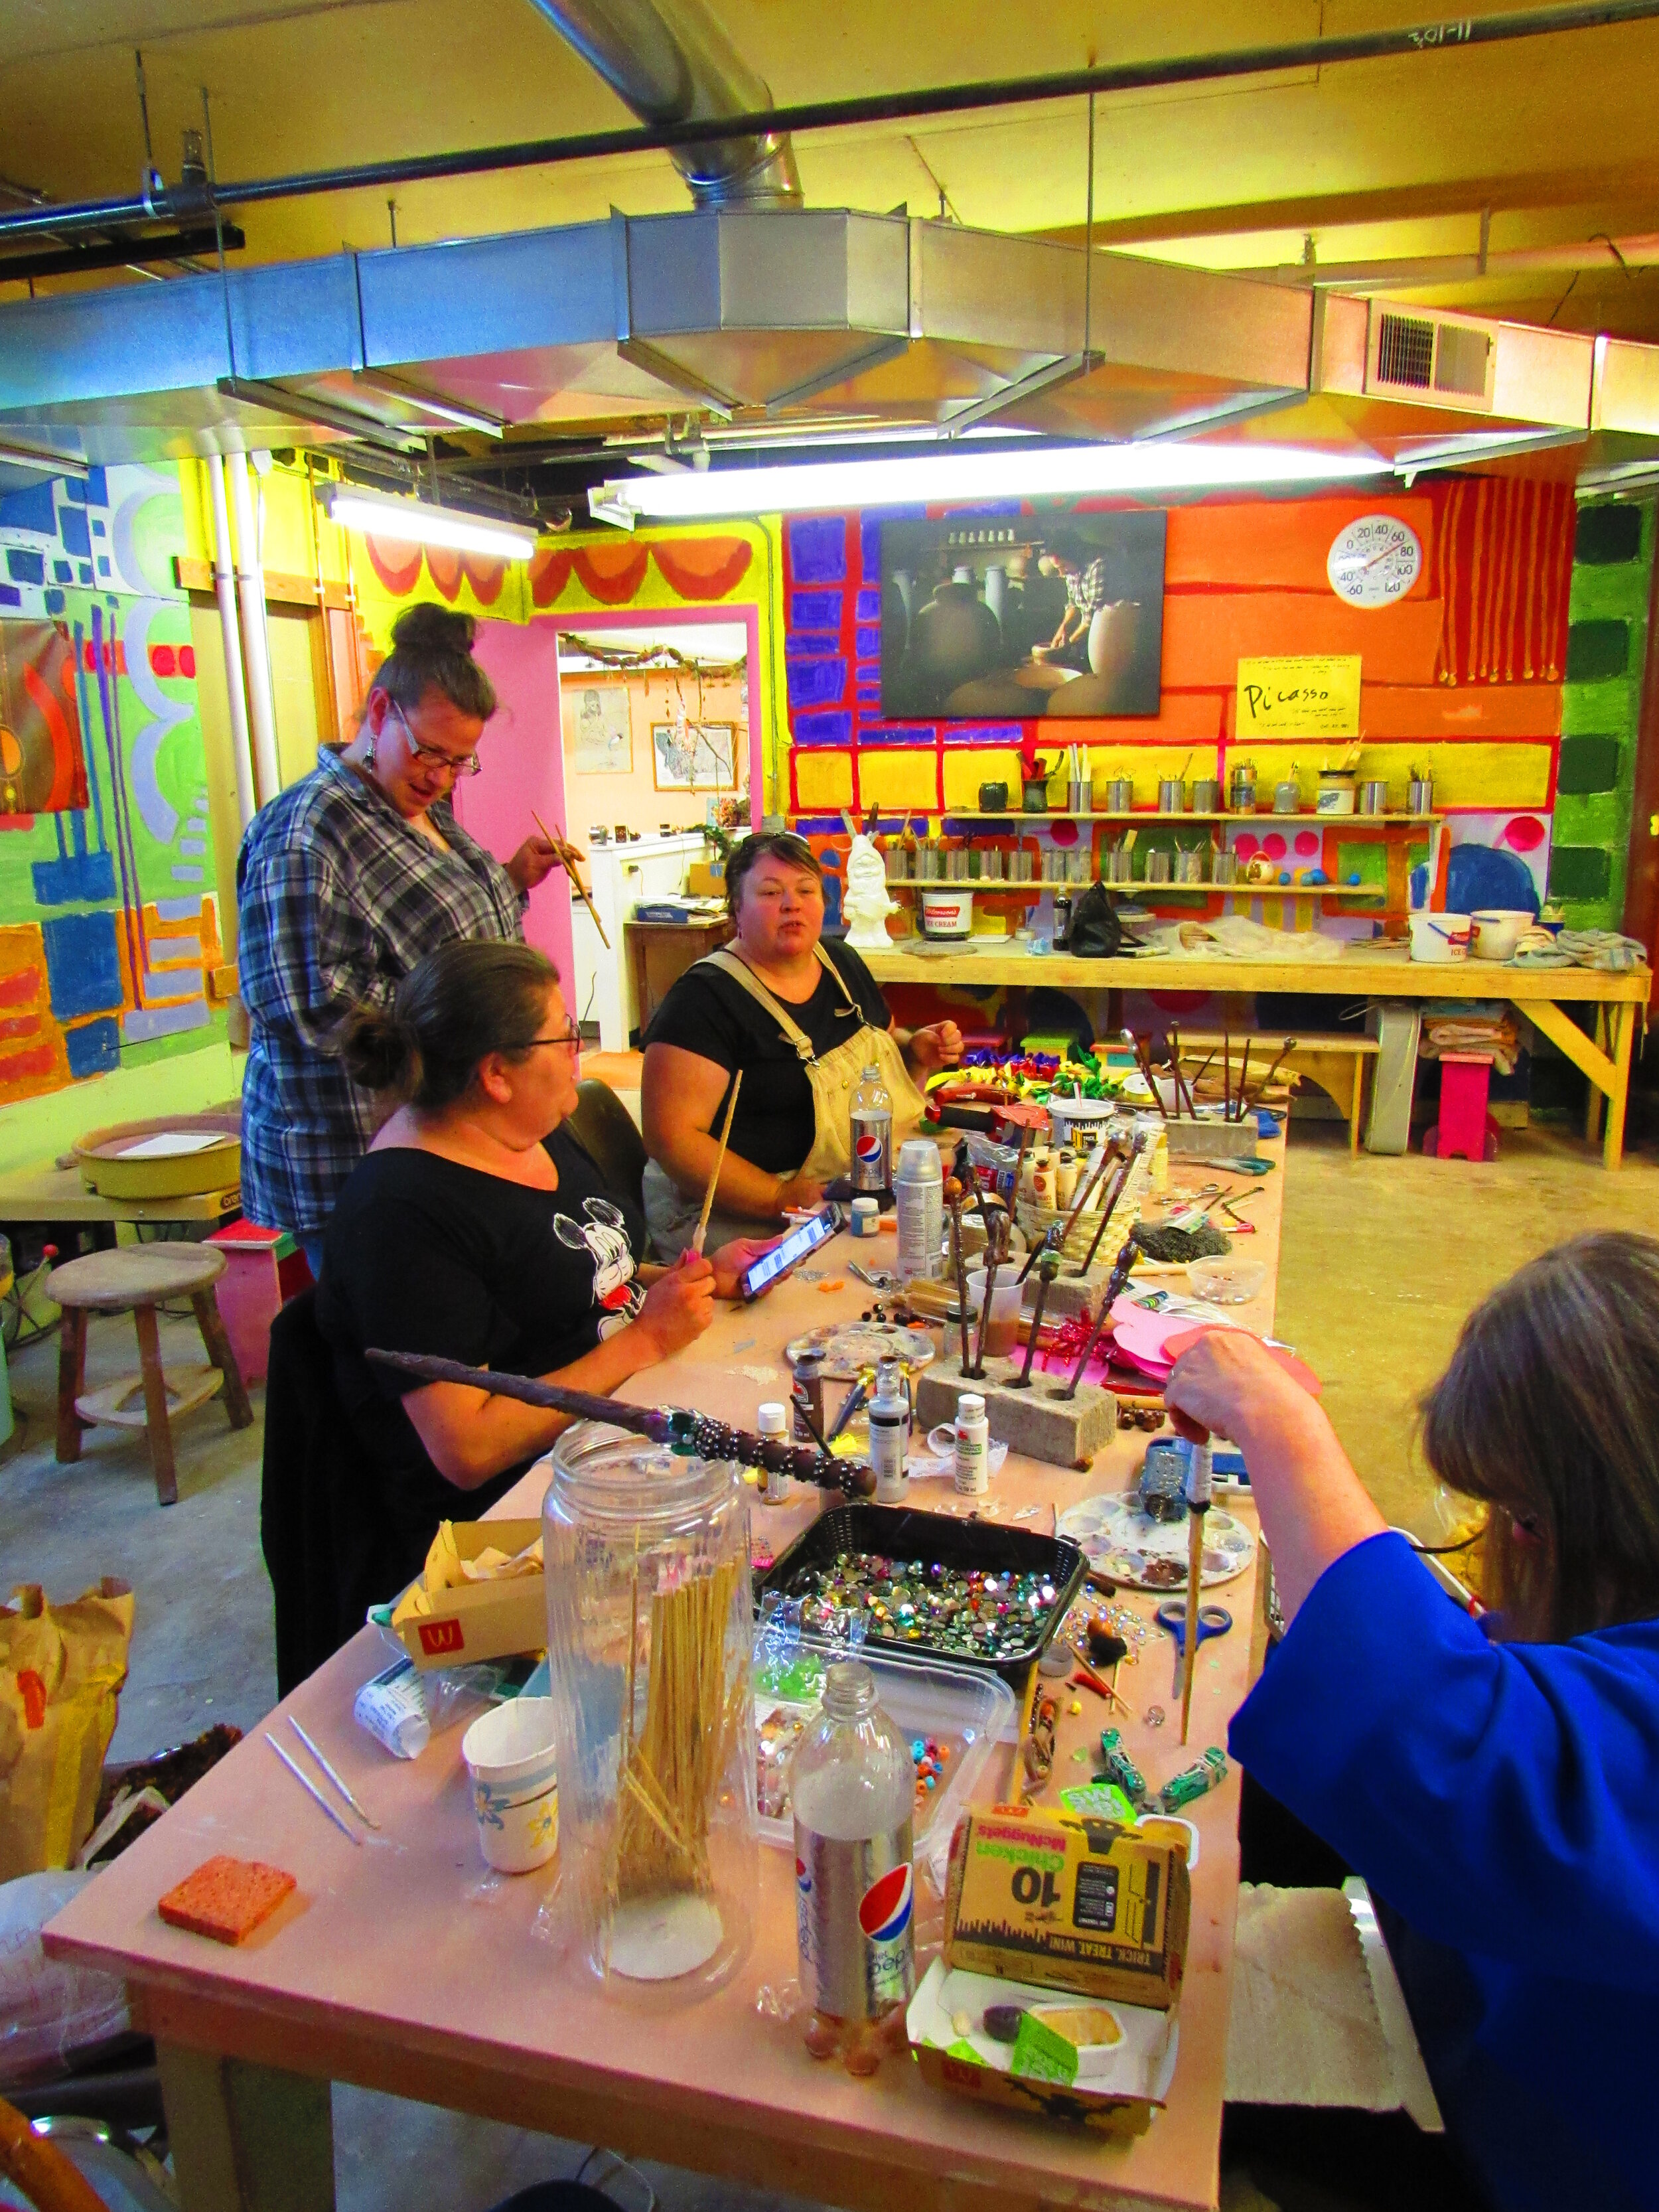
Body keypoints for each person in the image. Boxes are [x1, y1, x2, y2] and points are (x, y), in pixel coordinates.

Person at [1165, 1231, 1659, 2212]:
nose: (1500, 1550)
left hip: (1531, 2146)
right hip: (1474, 2006)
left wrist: (1279, 1424)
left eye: (1520, 1519)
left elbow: (1444, 1757)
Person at [315, 940, 774, 1619]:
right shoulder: (402, 1215)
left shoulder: (525, 1126)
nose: (577, 1052)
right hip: (519, 1523)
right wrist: (645, 1340)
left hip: (622, 1421)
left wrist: (687, 1279)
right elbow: (468, 1447)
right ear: (497, 1073)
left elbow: (574, 1274)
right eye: (563, 1037)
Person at [237, 604, 567, 1274]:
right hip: (353, 1145)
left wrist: (509, 879)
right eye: (428, 752)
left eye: (459, 762)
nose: (439, 777)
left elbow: (449, 933)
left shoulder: (422, 810)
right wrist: (466, 1019)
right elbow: (303, 999)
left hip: (444, 1131)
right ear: (381, 710)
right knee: (391, 1327)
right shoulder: (308, 830)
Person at [639, 830, 963, 1257]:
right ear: (736, 909)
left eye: (806, 890)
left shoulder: (841, 964)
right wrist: (775, 1195)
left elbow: (883, 1044)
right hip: (727, 1211)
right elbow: (672, 1139)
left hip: (837, 1187)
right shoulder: (703, 999)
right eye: (771, 892)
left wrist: (915, 1050)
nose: (791, 904)